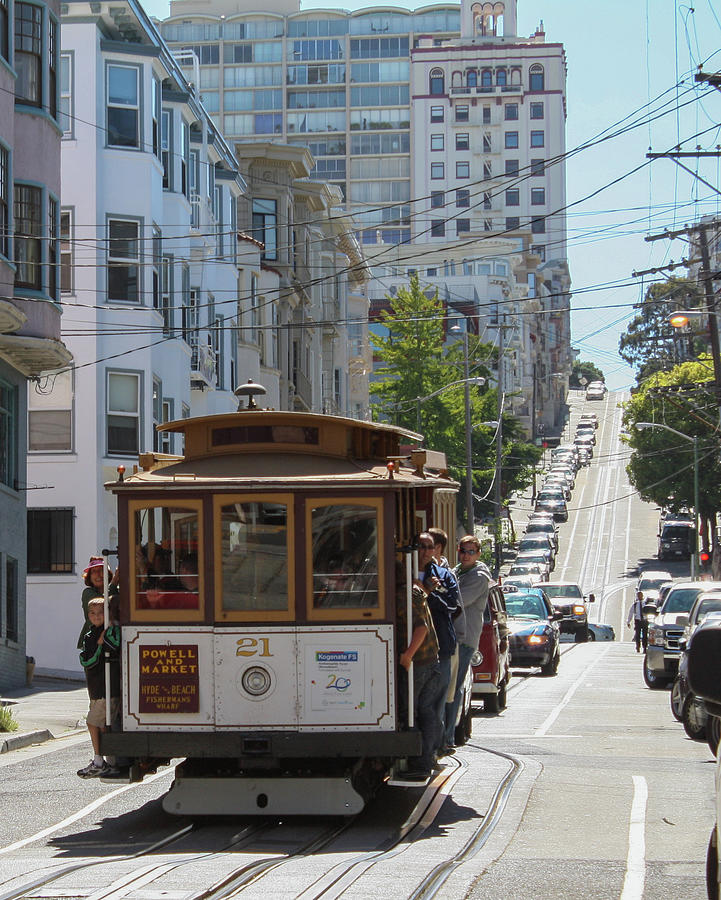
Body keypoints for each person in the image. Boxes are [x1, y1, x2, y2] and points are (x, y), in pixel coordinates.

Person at [444, 535, 491, 750]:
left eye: (471, 551)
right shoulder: (457, 571)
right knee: (447, 686)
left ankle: (448, 736)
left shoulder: (479, 577)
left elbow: (457, 600)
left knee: (454, 686)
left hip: (464, 638)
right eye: (463, 550)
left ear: (479, 553)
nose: (466, 555)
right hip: (453, 636)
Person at [396, 562, 442, 781]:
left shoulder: (401, 597)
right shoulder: (414, 590)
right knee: (426, 710)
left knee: (412, 711)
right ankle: (428, 758)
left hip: (420, 662)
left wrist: (407, 655)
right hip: (432, 658)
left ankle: (419, 762)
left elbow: (421, 627)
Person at [415, 532, 460, 756]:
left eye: (428, 547)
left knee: (437, 702)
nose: (424, 551)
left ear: (436, 550)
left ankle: (434, 749)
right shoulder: (404, 573)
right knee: (418, 703)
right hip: (414, 649)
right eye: (420, 546)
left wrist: (429, 593)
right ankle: (421, 749)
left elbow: (454, 606)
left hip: (441, 646)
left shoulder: (443, 575)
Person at [77, 597, 121, 777]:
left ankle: (98, 760)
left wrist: (104, 641)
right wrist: (99, 646)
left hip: (106, 688)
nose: (97, 616)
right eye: (93, 613)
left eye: (101, 613)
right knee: (103, 724)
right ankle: (110, 761)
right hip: (96, 687)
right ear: (88, 616)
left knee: (92, 722)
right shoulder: (91, 635)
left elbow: (113, 649)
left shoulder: (111, 632)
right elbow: (87, 660)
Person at [78, 556, 119, 650]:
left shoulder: (116, 591)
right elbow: (100, 604)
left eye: (101, 570)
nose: (98, 575)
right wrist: (114, 583)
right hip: (93, 642)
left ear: (108, 574)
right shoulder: (87, 593)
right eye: (94, 572)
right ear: (89, 577)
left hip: (113, 641)